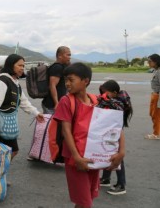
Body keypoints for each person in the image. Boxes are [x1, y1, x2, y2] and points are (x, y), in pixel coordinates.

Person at [53, 62, 125, 208]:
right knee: (86, 203)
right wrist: (77, 157)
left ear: (85, 81)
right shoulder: (66, 101)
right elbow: (65, 131)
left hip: (93, 157)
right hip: (76, 159)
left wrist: (121, 152)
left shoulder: (96, 100)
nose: (67, 83)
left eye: (71, 80)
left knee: (86, 199)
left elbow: (113, 126)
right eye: (66, 79)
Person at [0, 54, 44, 162]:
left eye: (23, 66)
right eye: (19, 65)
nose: (22, 68)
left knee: (10, 151)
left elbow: (23, 101)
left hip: (6, 121)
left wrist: (36, 113)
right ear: (11, 65)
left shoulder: (15, 83)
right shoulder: (2, 82)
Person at [97, 80, 133, 195]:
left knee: (117, 157)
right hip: (109, 130)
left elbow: (115, 107)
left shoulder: (120, 101)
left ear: (115, 92)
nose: (104, 94)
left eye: (106, 92)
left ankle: (121, 185)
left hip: (116, 132)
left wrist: (105, 99)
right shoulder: (111, 99)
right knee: (107, 153)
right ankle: (106, 179)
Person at [41, 46, 71, 114]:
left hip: (57, 104)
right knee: (50, 124)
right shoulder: (57, 67)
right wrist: (56, 103)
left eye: (70, 55)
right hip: (51, 105)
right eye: (68, 55)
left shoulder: (63, 66)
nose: (69, 57)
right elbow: (52, 85)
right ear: (60, 56)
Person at [146, 54, 160, 140]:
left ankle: (156, 134)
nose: (148, 63)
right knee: (152, 113)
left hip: (158, 95)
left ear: (156, 61)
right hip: (154, 94)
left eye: (150, 61)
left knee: (156, 115)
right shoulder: (156, 70)